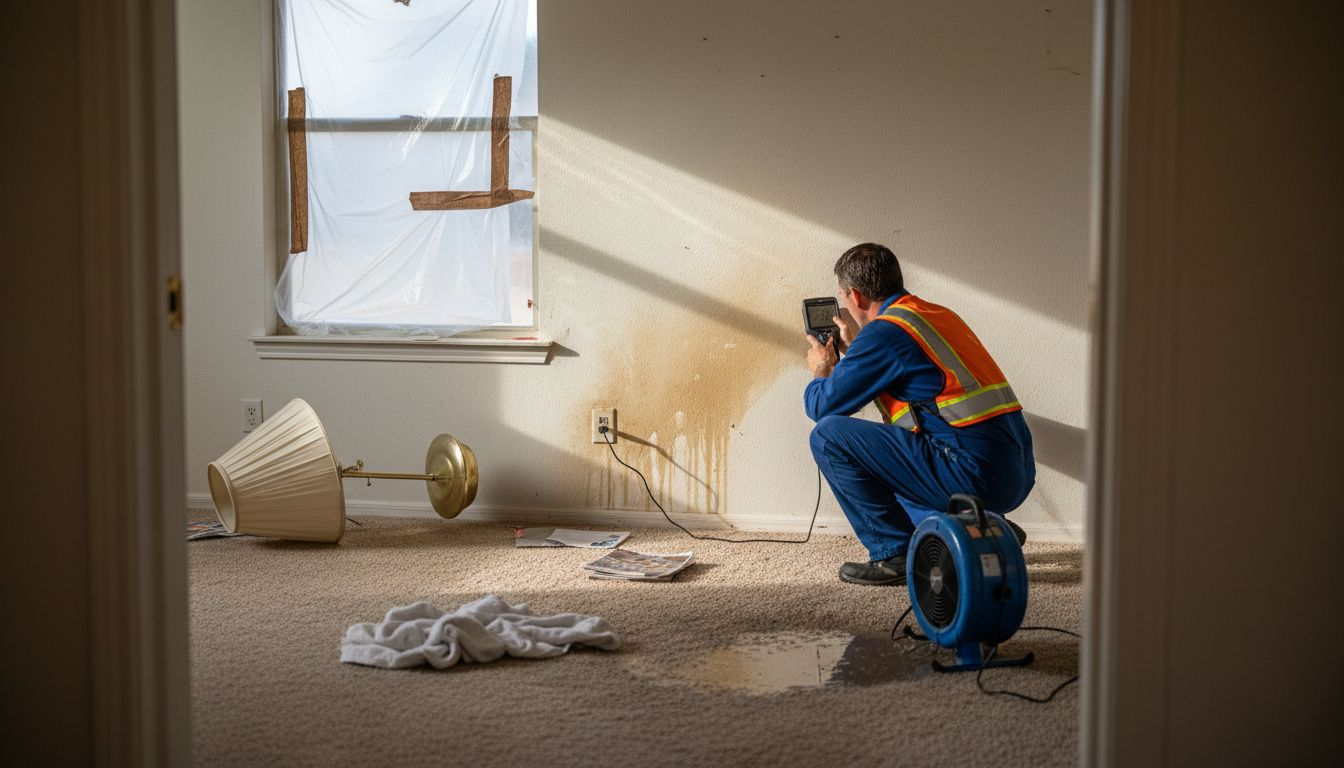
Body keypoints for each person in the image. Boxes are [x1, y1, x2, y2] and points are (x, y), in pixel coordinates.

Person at [804, 243, 1035, 586]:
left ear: (855, 295)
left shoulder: (884, 334)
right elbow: (916, 384)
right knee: (888, 463)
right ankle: (979, 529)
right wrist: (860, 347)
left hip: (974, 477)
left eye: (844, 296)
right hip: (1015, 474)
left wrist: (822, 371)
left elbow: (822, 406)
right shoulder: (933, 315)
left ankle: (892, 554)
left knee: (828, 435)